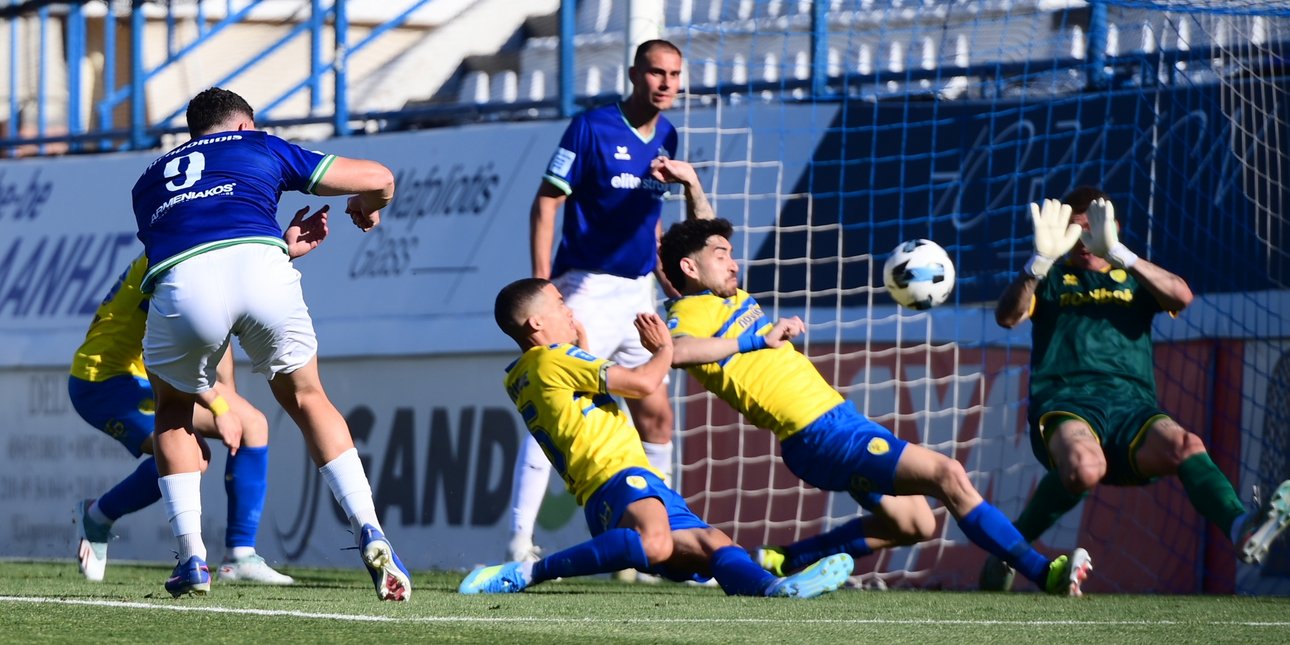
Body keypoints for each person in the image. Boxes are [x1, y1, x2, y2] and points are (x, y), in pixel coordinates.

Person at [658, 217, 1094, 596]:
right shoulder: (689, 313)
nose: (734, 263)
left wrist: (692, 183)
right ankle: (1045, 572)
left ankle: (779, 559)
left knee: (915, 524)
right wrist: (757, 340)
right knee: (948, 475)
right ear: (690, 268)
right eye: (722, 255)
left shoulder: (728, 297)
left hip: (837, 423)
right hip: (820, 433)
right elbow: (675, 351)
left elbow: (703, 232)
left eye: (732, 254)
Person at [131, 87, 410, 600]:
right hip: (263, 270)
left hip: (184, 284)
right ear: (243, 126)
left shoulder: (147, 180)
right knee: (308, 398)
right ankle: (370, 529)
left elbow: (204, 244)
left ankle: (192, 558)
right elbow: (381, 178)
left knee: (172, 412)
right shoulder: (259, 145)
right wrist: (368, 208)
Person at [459, 278, 852, 598]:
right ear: (535, 324)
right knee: (655, 543)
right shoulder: (552, 359)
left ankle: (774, 588)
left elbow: (577, 401)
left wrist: (583, 348)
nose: (570, 310)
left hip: (627, 481)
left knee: (713, 542)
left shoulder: (527, 372)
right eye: (560, 303)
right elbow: (643, 383)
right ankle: (529, 571)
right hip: (614, 478)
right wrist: (665, 348)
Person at [979, 187, 1290, 590]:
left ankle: (1240, 527)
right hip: (1067, 403)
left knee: (1186, 445)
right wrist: (1039, 262)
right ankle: (1010, 550)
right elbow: (1007, 317)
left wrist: (1120, 254)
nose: (1083, 240)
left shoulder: (1134, 277)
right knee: (1085, 467)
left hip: (1132, 409)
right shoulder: (1051, 278)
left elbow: (1182, 295)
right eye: (1073, 231)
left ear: (1112, 229)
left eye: (1090, 230)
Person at [510, 37, 715, 565]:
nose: (666, 83)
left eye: (674, 74)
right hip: (585, 287)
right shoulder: (590, 127)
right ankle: (519, 540)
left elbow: (651, 218)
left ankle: (661, 537)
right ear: (633, 74)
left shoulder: (667, 134)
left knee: (657, 417)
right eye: (656, 72)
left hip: (636, 292)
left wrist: (663, 270)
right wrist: (542, 285)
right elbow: (547, 202)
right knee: (558, 408)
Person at [72, 205, 326, 586]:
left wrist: (228, 401)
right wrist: (219, 407)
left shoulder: (194, 254)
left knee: (252, 425)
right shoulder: (172, 260)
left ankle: (239, 556)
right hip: (102, 382)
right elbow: (175, 351)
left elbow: (213, 336)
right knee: (194, 456)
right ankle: (98, 515)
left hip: (143, 374)